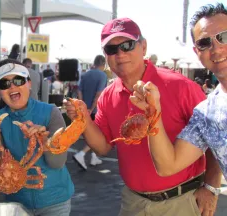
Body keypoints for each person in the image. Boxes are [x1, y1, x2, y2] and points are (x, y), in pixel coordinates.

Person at [64, 17, 221, 216]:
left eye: (127, 45)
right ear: (105, 56)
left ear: (143, 46)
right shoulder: (108, 96)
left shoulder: (181, 86)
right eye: (112, 49)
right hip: (133, 202)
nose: (120, 54)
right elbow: (103, 147)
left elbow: (215, 136)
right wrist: (83, 118)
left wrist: (212, 187)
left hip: (181, 201)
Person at [130, 3, 227, 214]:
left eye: (224, 36)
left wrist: (211, 186)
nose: (217, 48)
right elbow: (168, 165)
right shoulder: (207, 113)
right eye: (205, 42)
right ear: (197, 52)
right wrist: (153, 113)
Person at [0, 59, 74, 216]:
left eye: (18, 80)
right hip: (16, 201)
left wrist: (47, 143)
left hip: (55, 201)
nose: (12, 86)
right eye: (4, 84)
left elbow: (57, 163)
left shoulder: (51, 113)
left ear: (29, 83)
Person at [73, 55, 108, 169]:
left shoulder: (85, 74)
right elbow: (98, 95)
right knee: (98, 135)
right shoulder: (102, 75)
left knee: (91, 134)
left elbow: (79, 91)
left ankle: (94, 157)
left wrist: (83, 105)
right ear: (103, 64)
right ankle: (81, 154)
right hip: (95, 110)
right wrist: (92, 108)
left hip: (85, 109)